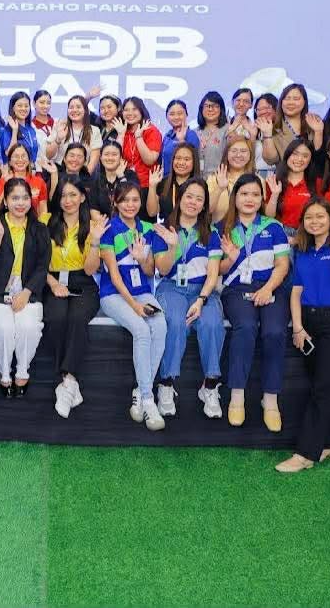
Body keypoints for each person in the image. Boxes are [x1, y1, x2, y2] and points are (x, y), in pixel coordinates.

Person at [275, 200, 330, 472]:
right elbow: (296, 292)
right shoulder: (303, 251)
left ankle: (306, 453)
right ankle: (329, 442)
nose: (315, 222)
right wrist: (298, 327)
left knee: (323, 387)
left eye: (320, 216)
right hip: (309, 322)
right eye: (309, 217)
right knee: (321, 384)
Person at [218, 173, 291, 431]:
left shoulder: (274, 227)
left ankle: (270, 399)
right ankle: (237, 396)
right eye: (244, 194)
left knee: (275, 332)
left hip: (271, 286)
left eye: (255, 194)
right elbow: (217, 270)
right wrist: (230, 258)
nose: (250, 199)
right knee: (246, 327)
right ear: (235, 197)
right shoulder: (223, 228)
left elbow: (282, 265)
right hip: (236, 289)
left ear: (262, 199)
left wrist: (268, 288)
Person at [151, 178, 226, 420]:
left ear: (204, 205)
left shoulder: (211, 233)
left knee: (212, 323)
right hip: (171, 287)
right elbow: (163, 270)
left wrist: (201, 299)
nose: (193, 202)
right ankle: (166, 383)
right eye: (189, 196)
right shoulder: (163, 229)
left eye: (199, 199)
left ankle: (210, 385)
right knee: (175, 321)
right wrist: (173, 246)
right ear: (179, 198)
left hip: (202, 290)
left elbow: (213, 274)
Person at [98, 181, 168, 431]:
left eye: (135, 200)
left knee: (160, 326)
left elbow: (150, 271)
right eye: (125, 200)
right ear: (115, 202)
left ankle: (140, 390)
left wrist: (142, 258)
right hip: (114, 295)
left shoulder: (148, 229)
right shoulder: (108, 230)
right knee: (141, 329)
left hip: (143, 292)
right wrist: (135, 307)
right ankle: (149, 401)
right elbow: (114, 276)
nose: (130, 205)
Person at [0, 178, 50, 397]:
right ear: (6, 201)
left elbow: (42, 266)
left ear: (31, 200)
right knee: (4, 328)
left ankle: (22, 370)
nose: (20, 203)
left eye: (25, 198)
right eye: (15, 198)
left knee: (29, 327)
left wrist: (27, 292)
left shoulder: (39, 229)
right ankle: (4, 372)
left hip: (28, 290)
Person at [44, 176, 106, 418]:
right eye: (63, 195)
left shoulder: (92, 226)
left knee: (78, 318)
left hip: (83, 282)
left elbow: (90, 270)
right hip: (52, 280)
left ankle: (68, 381)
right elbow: (37, 262)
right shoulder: (46, 222)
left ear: (82, 197)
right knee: (56, 318)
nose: (67, 200)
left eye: (72, 195)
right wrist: (52, 284)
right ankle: (70, 383)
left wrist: (96, 241)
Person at [259, 83, 324, 175]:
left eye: (296, 99)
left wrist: (318, 132)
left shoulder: (314, 121)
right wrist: (267, 135)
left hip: (311, 178)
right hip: (284, 179)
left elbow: (318, 157)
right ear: (281, 102)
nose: (291, 102)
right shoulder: (272, 127)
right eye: (287, 98)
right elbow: (271, 160)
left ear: (304, 102)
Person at [110, 96, 162, 194]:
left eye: (134, 109)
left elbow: (150, 160)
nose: (130, 113)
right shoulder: (122, 130)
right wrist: (120, 135)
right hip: (124, 182)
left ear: (141, 111)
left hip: (146, 185)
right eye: (126, 110)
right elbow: (113, 158)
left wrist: (139, 137)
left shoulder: (151, 130)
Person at [264, 138, 314, 236]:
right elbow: (268, 217)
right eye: (295, 154)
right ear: (287, 155)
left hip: (307, 235)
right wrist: (275, 194)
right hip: (280, 233)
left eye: (305, 156)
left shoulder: (316, 184)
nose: (299, 159)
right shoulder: (273, 181)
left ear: (310, 160)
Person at [207, 135, 257, 222]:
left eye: (243, 151)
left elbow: (265, 214)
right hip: (220, 229)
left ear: (250, 155)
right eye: (234, 151)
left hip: (250, 229)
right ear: (226, 154)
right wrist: (220, 188)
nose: (238, 155)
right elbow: (207, 210)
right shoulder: (214, 179)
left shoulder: (257, 180)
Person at [46, 94, 102, 168]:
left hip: (83, 172)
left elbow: (94, 160)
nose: (74, 110)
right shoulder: (60, 127)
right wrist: (58, 140)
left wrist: (85, 174)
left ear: (86, 110)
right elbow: (48, 156)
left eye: (78, 107)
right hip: (60, 172)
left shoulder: (94, 131)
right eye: (71, 107)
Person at [147, 142, 200, 221]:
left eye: (186, 159)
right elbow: (152, 212)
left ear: (194, 162)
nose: (181, 163)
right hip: (167, 227)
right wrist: (152, 186)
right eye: (178, 158)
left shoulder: (200, 186)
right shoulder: (164, 183)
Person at [0, 143, 49, 216]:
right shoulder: (2, 182)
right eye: (16, 156)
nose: (20, 159)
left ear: (29, 160)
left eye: (23, 156)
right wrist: (6, 184)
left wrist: (42, 222)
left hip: (33, 222)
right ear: (10, 162)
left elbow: (43, 210)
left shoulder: (39, 182)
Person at [89, 140, 138, 217]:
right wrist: (103, 223)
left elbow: (132, 201)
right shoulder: (95, 178)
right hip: (103, 223)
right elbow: (93, 208)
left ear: (120, 158)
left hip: (126, 221)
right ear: (100, 158)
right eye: (106, 154)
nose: (110, 158)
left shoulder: (131, 175)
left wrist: (121, 176)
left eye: (114, 154)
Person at [160, 99, 201, 174]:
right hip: (166, 179)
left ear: (186, 115)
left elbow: (193, 161)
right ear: (166, 116)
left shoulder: (191, 135)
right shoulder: (167, 136)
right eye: (172, 114)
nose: (176, 117)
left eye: (180, 113)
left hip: (184, 179)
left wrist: (181, 141)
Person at [195, 91, 229, 174]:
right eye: (207, 106)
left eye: (215, 106)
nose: (210, 109)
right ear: (201, 109)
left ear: (221, 109)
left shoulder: (228, 130)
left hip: (219, 178)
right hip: (197, 179)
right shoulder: (195, 132)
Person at [5, 91, 41, 163]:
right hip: (17, 168)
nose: (23, 109)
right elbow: (9, 154)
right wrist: (15, 131)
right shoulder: (7, 130)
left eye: (26, 106)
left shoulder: (31, 129)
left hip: (32, 168)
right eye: (20, 106)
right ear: (13, 108)